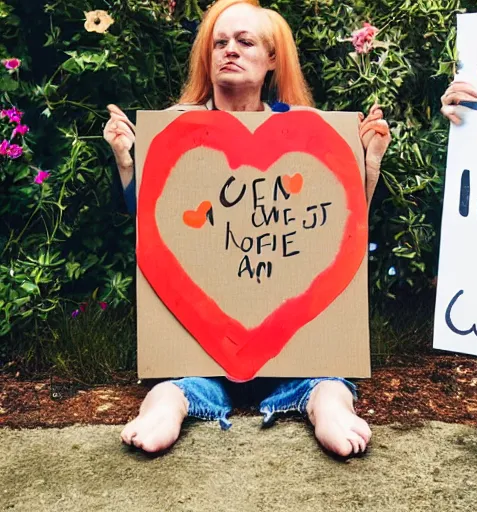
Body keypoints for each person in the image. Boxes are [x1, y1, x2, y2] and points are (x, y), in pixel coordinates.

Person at [103, 0, 391, 457]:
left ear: (273, 58)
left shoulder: (305, 134)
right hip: (201, 341)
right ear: (208, 55)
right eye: (220, 42)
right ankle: (167, 404)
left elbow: (342, 227)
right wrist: (126, 162)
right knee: (180, 382)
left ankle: (327, 404)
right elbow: (154, 232)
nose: (229, 51)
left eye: (244, 41)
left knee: (326, 380)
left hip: (292, 340)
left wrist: (367, 163)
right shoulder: (177, 130)